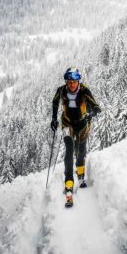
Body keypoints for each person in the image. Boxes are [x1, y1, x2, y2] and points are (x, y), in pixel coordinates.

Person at [51, 67, 101, 200]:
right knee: (69, 149)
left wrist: (91, 113)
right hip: (67, 123)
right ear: (66, 82)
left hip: (82, 124)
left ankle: (80, 171)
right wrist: (54, 119)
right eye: (69, 81)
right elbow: (55, 102)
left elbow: (96, 107)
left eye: (74, 81)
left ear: (78, 81)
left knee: (81, 150)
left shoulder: (84, 91)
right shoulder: (61, 90)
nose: (71, 84)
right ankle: (69, 181)